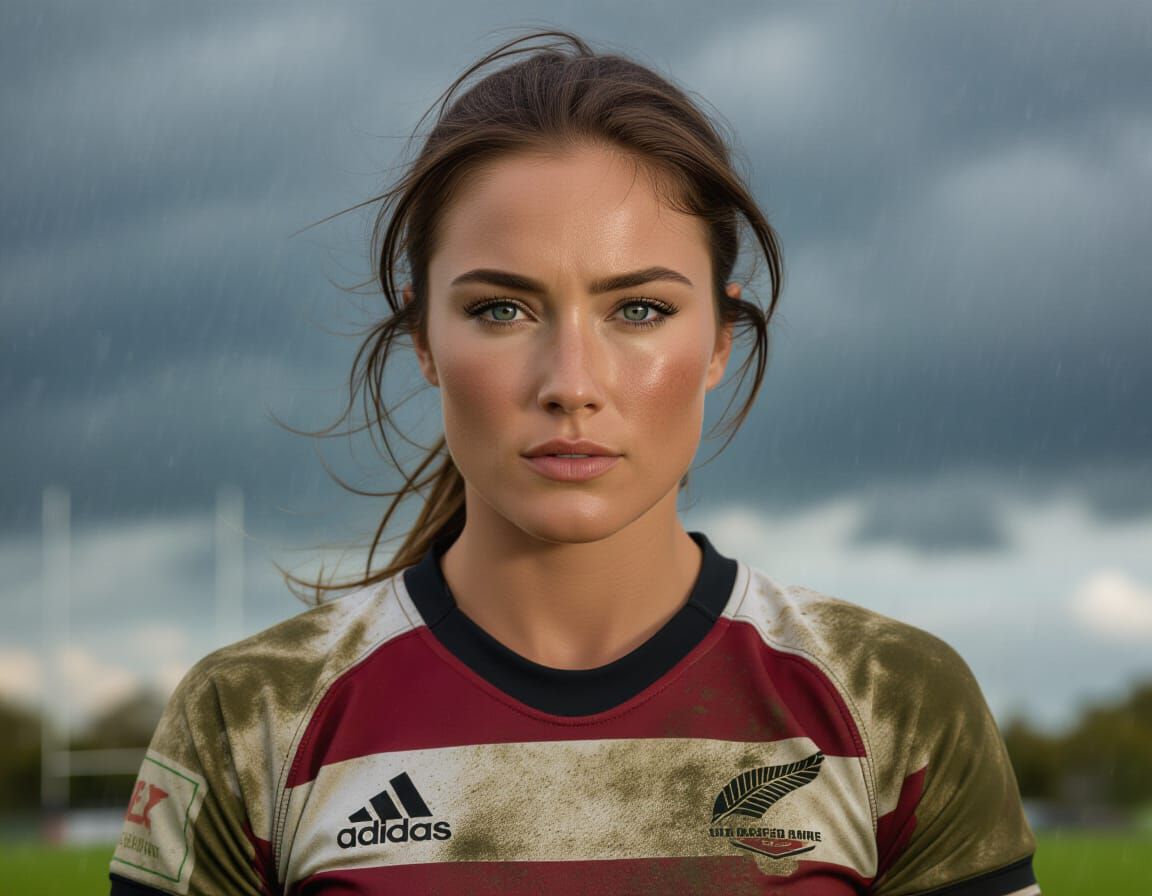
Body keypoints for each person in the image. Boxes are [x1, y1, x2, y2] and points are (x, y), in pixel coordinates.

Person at [109, 29, 1040, 895]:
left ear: (720, 338)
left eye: (638, 310)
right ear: (423, 336)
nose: (571, 383)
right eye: (500, 310)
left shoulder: (895, 704)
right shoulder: (251, 720)